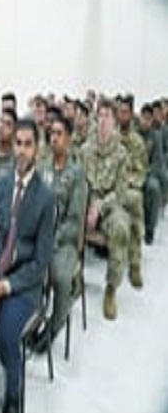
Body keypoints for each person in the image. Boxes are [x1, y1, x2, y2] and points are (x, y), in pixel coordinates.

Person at [0, 118, 55, 413]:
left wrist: (8, 285)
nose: (22, 150)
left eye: (28, 144)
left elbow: (41, 262)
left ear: (37, 149)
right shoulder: (1, 185)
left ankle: (14, 393)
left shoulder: (46, 197)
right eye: (18, 143)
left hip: (23, 284)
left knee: (8, 335)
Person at [33, 116, 87, 353]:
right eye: (51, 134)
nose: (54, 138)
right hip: (39, 234)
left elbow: (74, 221)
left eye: (59, 134)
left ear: (69, 139)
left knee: (61, 277)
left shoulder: (77, 174)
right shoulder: (41, 167)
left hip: (63, 241)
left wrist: (52, 240)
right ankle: (31, 320)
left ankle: (55, 325)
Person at [80, 101, 131, 320]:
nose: (102, 120)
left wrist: (99, 207)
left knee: (121, 228)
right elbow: (80, 183)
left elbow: (120, 192)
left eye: (107, 115)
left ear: (114, 122)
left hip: (110, 206)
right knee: (66, 216)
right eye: (100, 115)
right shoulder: (85, 150)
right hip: (87, 202)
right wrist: (87, 205)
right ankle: (71, 276)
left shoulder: (121, 154)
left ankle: (111, 288)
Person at [116, 97, 147, 288]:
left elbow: (140, 173)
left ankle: (134, 264)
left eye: (125, 112)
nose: (122, 116)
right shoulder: (111, 137)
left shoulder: (137, 142)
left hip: (127, 189)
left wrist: (126, 184)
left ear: (131, 114)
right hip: (109, 188)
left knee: (136, 202)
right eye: (119, 112)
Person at [138, 104, 164, 244]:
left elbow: (157, 162)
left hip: (148, 174)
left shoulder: (156, 136)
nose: (145, 121)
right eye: (144, 118)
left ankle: (150, 229)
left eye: (148, 119)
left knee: (154, 188)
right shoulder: (134, 133)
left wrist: (146, 174)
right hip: (133, 173)